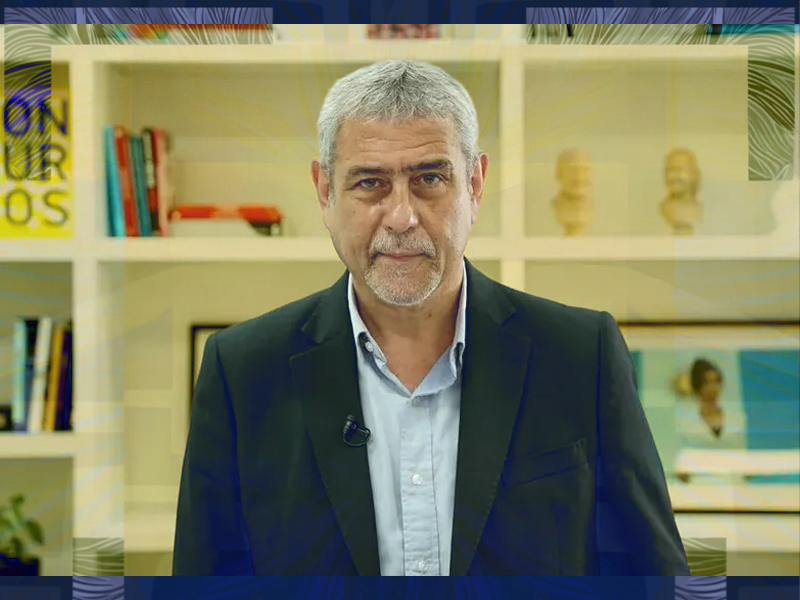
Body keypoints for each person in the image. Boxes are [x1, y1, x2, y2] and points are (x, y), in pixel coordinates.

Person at [171, 59, 690, 576]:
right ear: (325, 192)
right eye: (370, 182)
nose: (402, 217)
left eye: (430, 178)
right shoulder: (242, 371)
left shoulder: (581, 355)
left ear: (475, 185)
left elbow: (655, 574)